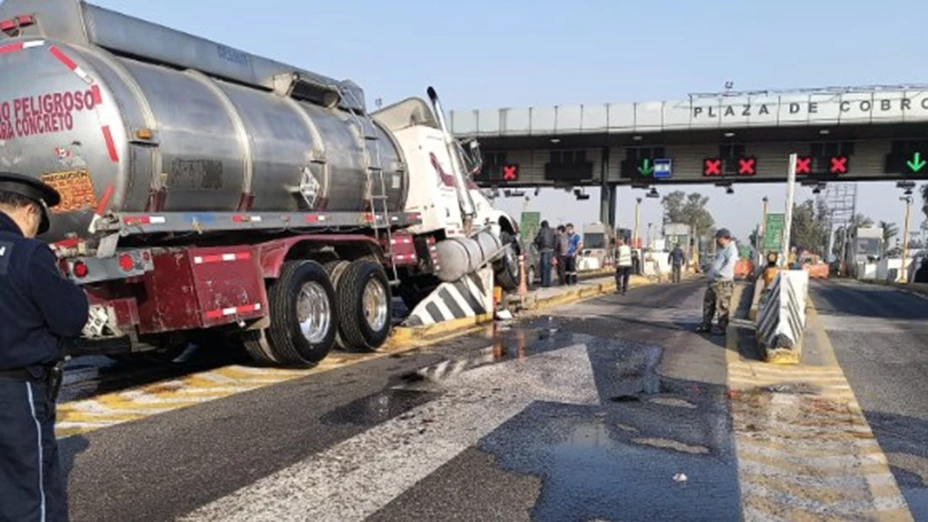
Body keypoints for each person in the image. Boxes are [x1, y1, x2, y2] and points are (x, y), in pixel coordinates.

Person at [0, 172, 89, 522]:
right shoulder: (27, 253)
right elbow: (69, 317)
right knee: (29, 491)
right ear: (28, 211)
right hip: (14, 393)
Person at [696, 228, 738, 335]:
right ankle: (706, 324)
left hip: (723, 282)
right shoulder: (721, 249)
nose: (717, 241)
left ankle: (721, 327)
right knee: (709, 303)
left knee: (722, 305)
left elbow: (730, 264)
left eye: (719, 239)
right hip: (714, 282)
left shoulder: (731, 250)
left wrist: (720, 274)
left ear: (725, 238)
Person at [533, 220, 557, 288]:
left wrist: (536, 244)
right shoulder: (552, 231)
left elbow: (538, 239)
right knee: (548, 267)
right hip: (551, 251)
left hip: (544, 250)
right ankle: (548, 283)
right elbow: (556, 240)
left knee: (544, 267)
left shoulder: (541, 230)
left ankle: (544, 283)